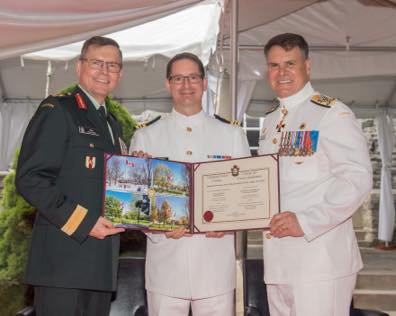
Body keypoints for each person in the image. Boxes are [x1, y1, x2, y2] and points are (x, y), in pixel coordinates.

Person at [258, 33, 373, 316]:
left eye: (290, 64)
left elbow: (356, 179)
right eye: (274, 66)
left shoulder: (332, 114)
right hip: (278, 262)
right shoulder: (271, 119)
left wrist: (307, 222)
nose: (281, 73)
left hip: (320, 260)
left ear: (307, 67)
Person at [129, 52, 250, 316]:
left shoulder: (231, 134)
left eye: (193, 77)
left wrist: (229, 223)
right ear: (168, 84)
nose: (186, 85)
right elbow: (137, 200)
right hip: (165, 264)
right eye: (179, 78)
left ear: (205, 83)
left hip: (215, 264)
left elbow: (245, 195)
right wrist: (156, 228)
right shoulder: (146, 135)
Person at [16, 36, 126, 316]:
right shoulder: (58, 110)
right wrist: (85, 222)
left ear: (120, 74)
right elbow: (31, 178)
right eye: (96, 62)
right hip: (62, 265)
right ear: (79, 67)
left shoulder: (112, 125)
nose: (105, 71)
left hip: (100, 267)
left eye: (112, 65)